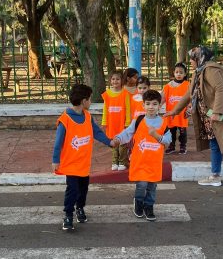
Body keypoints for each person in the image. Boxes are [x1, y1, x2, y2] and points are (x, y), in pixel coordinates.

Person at [164, 46, 223, 197]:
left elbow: (221, 89)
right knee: (215, 143)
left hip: (222, 113)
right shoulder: (198, 71)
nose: (190, 62)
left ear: (199, 58)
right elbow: (188, 94)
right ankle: (215, 176)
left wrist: (217, 112)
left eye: (192, 59)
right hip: (209, 114)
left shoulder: (211, 70)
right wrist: (175, 111)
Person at [52, 84, 116, 231]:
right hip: (71, 164)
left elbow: (97, 132)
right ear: (83, 101)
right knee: (72, 190)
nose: (91, 102)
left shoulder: (87, 116)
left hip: (84, 163)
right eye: (90, 99)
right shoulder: (65, 119)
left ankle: (80, 208)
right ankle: (68, 214)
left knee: (83, 189)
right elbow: (58, 142)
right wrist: (55, 160)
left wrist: (109, 142)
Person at [113, 90, 172, 221]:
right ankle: (138, 202)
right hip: (140, 161)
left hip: (154, 162)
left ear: (159, 106)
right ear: (143, 105)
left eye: (155, 104)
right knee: (142, 185)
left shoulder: (163, 123)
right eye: (148, 103)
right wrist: (117, 139)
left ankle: (149, 206)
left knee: (152, 186)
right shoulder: (139, 120)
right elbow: (127, 133)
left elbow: (168, 141)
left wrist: (156, 136)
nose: (151, 107)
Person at [102, 70, 131, 171]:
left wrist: (127, 122)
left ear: (122, 80)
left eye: (117, 79)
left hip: (122, 123)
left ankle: (122, 162)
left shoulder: (125, 94)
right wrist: (104, 122)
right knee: (114, 143)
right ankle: (115, 162)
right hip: (112, 124)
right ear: (110, 81)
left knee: (122, 143)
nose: (115, 81)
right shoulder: (107, 94)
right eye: (113, 79)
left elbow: (128, 109)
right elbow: (105, 109)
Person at [162, 62, 190, 155]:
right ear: (173, 73)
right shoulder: (168, 86)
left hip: (182, 114)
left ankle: (183, 146)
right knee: (171, 132)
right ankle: (171, 146)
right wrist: (157, 106)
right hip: (170, 114)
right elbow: (162, 98)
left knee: (182, 132)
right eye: (177, 72)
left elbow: (191, 98)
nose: (179, 74)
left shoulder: (187, 85)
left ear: (185, 74)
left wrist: (189, 108)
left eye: (181, 72)